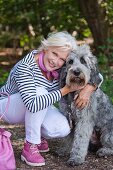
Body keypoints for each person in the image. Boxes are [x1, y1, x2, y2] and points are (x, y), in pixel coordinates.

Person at [0, 31, 102, 167]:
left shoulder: (60, 67)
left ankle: (37, 134)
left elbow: (97, 75)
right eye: (54, 54)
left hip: (38, 104)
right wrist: (66, 90)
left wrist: (88, 90)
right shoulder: (25, 67)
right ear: (46, 48)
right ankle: (30, 146)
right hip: (8, 107)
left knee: (62, 128)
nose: (56, 61)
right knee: (40, 91)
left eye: (62, 59)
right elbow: (32, 104)